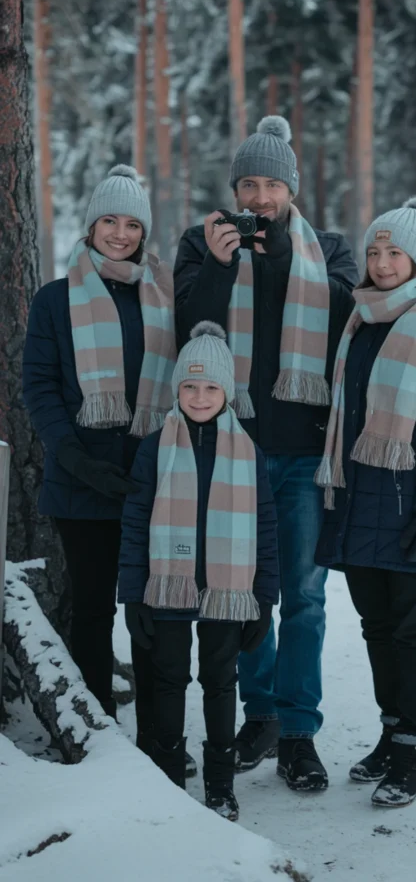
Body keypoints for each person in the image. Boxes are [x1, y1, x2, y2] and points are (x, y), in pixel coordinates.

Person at [174, 116, 358, 791]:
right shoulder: (200, 242)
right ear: (234, 190)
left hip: (306, 455)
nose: (259, 197)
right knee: (241, 591)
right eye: (248, 184)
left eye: (271, 185)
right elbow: (187, 328)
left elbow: (345, 321)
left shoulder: (329, 249)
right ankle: (261, 716)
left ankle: (300, 732)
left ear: (291, 190)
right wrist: (221, 265)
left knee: (303, 597)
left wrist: (279, 257)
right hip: (233, 451)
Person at [314, 195, 416, 807]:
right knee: (376, 626)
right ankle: (390, 734)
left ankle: (414, 753)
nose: (381, 262)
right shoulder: (359, 320)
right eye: (374, 251)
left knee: (410, 629)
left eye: (394, 252)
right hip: (356, 501)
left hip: (407, 503)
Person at [22, 165, 179, 758]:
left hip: (152, 480)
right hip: (80, 479)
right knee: (91, 609)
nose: (120, 233)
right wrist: (75, 459)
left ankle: (159, 737)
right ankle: (99, 737)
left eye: (132, 224)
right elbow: (39, 387)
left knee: (151, 608)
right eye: (109, 220)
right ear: (91, 226)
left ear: (144, 232)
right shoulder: (54, 299)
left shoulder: (162, 296)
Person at [118, 321, 279, 820]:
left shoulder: (248, 451)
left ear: (227, 391)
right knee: (169, 678)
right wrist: (133, 593)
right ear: (176, 389)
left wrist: (265, 598)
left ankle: (220, 783)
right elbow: (135, 522)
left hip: (228, 590)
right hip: (168, 584)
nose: (200, 396)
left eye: (211, 386)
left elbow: (266, 527)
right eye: (190, 386)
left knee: (220, 681)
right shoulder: (154, 447)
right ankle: (169, 776)